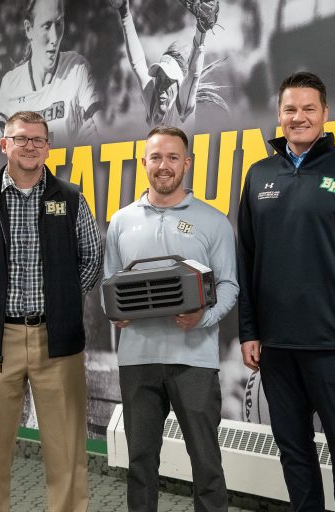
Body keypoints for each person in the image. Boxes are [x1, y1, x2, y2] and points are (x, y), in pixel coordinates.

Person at [237, 72, 335, 512]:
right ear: (279, 114)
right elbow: (245, 259)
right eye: (290, 109)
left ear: (326, 114)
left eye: (309, 109)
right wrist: (249, 331)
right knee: (294, 452)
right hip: (277, 348)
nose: (298, 117)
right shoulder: (258, 175)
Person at [0, 110, 102, 512]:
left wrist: (64, 302)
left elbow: (91, 258)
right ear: (5, 144)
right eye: (21, 139)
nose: (30, 146)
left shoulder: (70, 199)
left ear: (48, 147)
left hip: (58, 342)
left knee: (67, 453)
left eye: (37, 139)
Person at [103, 125, 238, 512]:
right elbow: (108, 284)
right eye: (156, 157)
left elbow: (229, 286)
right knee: (140, 464)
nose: (164, 166)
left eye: (173, 157)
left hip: (194, 360)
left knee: (206, 466)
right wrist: (114, 314)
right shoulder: (122, 220)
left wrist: (204, 317)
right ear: (143, 162)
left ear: (187, 163)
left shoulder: (213, 221)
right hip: (137, 361)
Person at [0, 0, 104, 146]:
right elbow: (0, 154)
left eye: (59, 24)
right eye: (46, 26)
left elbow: (104, 131)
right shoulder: (10, 85)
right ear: (29, 29)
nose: (54, 37)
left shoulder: (77, 68)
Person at [110, 0, 226, 131]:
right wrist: (125, 13)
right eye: (160, 79)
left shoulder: (181, 107)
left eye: (168, 81)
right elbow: (138, 64)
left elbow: (193, 73)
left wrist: (201, 31)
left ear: (179, 86)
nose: (161, 87)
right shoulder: (154, 104)